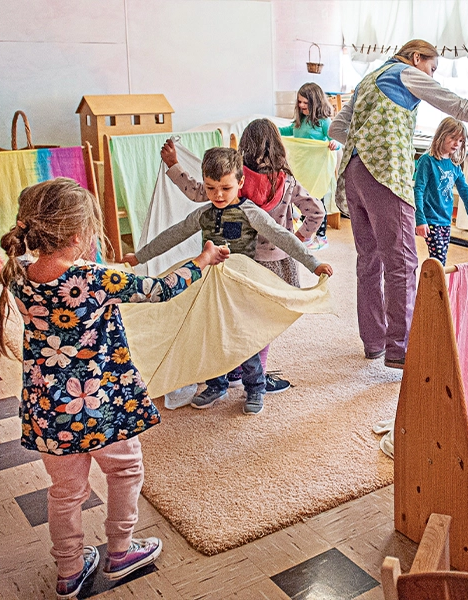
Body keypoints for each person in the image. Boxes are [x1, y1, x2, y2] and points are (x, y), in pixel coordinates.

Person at [0, 178, 229, 600]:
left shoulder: (18, 274)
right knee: (124, 471)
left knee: (65, 492)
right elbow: (160, 290)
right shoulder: (94, 277)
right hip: (102, 406)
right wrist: (203, 258)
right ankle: (120, 550)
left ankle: (69, 569)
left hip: (50, 410)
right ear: (78, 235)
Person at [329, 39, 468, 369]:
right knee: (402, 261)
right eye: (432, 68)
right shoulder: (405, 72)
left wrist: (364, 140)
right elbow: (456, 105)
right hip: (384, 172)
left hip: (354, 173)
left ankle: (375, 341)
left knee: (369, 259)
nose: (431, 75)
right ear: (417, 57)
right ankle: (400, 348)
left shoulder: (368, 79)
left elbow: (338, 127)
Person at [126, 148, 333, 414]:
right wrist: (140, 255)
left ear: (240, 183)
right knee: (209, 335)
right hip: (208, 283)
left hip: (239, 285)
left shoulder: (250, 212)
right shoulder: (204, 214)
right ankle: (216, 384)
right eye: (211, 189)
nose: (219, 195)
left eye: (225, 188)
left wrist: (313, 264)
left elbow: (283, 236)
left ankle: (255, 387)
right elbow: (173, 235)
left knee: (242, 339)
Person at [161, 120, 325, 393]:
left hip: (240, 260)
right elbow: (317, 211)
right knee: (262, 320)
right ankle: (257, 376)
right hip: (275, 262)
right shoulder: (287, 182)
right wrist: (299, 239)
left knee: (237, 316)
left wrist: (173, 165)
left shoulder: (237, 182)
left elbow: (194, 191)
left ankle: (235, 369)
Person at [279, 82, 340, 251]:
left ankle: (321, 237)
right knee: (299, 198)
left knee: (316, 201)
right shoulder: (300, 120)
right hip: (301, 167)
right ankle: (305, 234)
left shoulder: (323, 122)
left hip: (317, 169)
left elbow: (336, 139)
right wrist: (272, 129)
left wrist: (335, 144)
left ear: (315, 103)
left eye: (306, 103)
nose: (301, 106)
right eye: (299, 102)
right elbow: (288, 130)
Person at [413, 117, 468, 265]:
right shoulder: (427, 160)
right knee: (439, 258)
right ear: (442, 135)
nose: (457, 143)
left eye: (461, 140)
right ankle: (437, 287)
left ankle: (431, 284)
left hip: (446, 219)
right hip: (431, 219)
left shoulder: (454, 164)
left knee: (438, 258)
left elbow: (464, 189)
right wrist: (420, 219)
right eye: (453, 138)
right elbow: (418, 190)